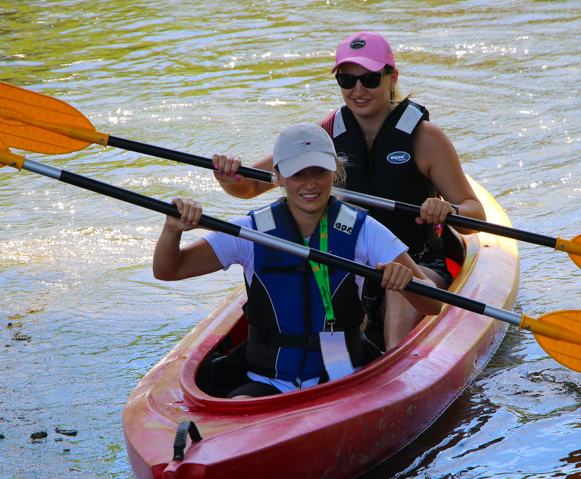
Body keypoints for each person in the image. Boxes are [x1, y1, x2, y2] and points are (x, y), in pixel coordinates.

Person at [212, 31, 485, 351]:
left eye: (370, 79)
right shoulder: (324, 135)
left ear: (391, 77)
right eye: (346, 80)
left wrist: (449, 211)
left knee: (398, 284)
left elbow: (474, 212)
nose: (358, 90)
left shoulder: (426, 138)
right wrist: (226, 173)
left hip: (415, 265)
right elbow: (248, 187)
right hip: (347, 263)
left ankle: (392, 365)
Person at [154, 122, 442, 399]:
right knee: (241, 404)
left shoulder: (365, 230)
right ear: (277, 177)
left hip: (343, 375)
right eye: (297, 174)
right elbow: (169, 270)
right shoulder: (251, 231)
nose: (310, 184)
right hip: (268, 378)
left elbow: (433, 303)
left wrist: (406, 284)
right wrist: (172, 230)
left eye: (319, 171)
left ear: (335, 170)